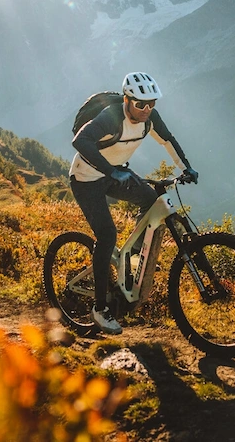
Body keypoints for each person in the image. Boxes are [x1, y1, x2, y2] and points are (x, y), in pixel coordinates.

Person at [70, 72, 198, 334]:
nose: (146, 109)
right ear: (127, 100)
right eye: (140, 104)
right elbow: (80, 141)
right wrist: (111, 170)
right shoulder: (111, 117)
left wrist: (186, 168)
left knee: (152, 203)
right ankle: (99, 309)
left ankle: (132, 259)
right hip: (86, 178)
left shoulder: (149, 118)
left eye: (151, 104)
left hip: (116, 172)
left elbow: (167, 140)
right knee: (107, 235)